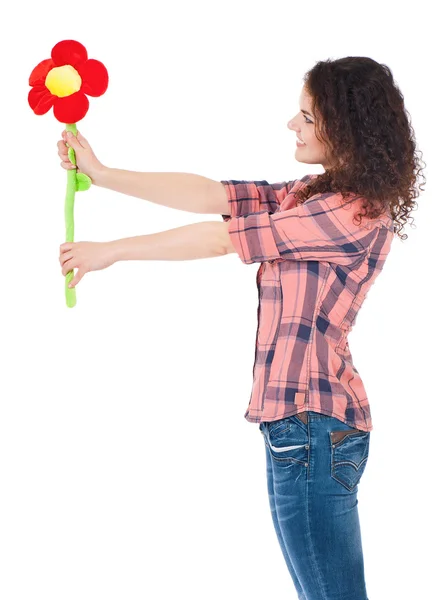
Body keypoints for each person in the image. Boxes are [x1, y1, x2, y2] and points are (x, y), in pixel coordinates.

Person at [57, 56, 425, 600]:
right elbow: (215, 196)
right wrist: (104, 174)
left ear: (343, 127)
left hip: (311, 428)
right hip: (303, 428)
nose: (291, 125)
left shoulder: (347, 214)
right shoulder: (313, 196)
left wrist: (108, 252)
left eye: (306, 115)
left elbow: (221, 237)